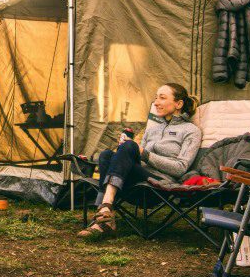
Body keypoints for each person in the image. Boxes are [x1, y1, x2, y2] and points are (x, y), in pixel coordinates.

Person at [78, 83, 202, 238]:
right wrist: (126, 150)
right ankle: (105, 213)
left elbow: (181, 168)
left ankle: (103, 212)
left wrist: (144, 153)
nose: (156, 102)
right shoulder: (152, 130)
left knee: (129, 146)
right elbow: (136, 157)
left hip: (159, 185)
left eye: (162, 98)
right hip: (136, 181)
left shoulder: (191, 131)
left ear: (179, 104)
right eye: (156, 98)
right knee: (106, 155)